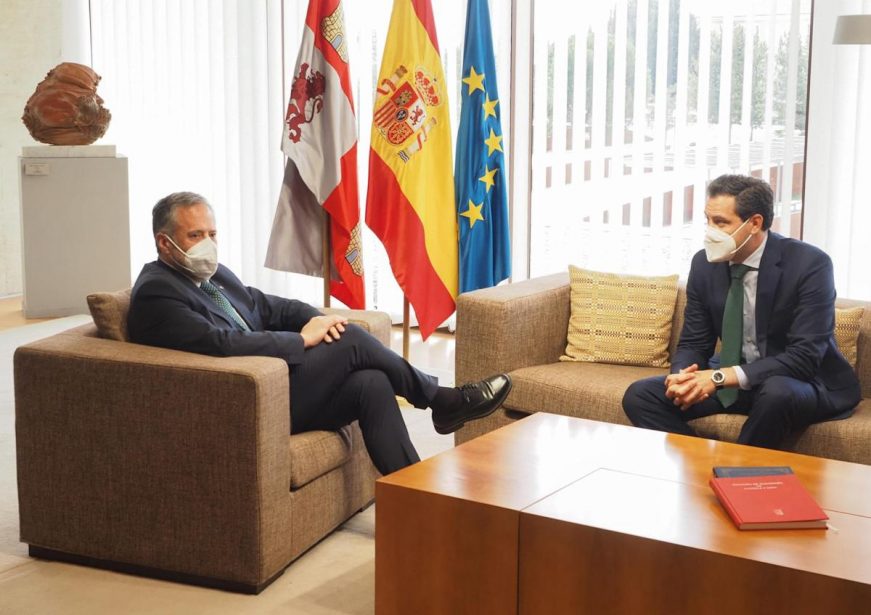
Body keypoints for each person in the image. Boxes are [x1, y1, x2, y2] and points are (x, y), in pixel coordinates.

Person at [127, 191, 511, 475]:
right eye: (196, 235)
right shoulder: (157, 293)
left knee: (372, 382)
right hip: (241, 400)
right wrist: (302, 339)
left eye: (213, 233)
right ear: (165, 242)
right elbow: (221, 344)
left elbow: (263, 305)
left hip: (274, 384)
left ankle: (415, 501)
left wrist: (317, 319)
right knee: (354, 341)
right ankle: (442, 400)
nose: (208, 244)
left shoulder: (212, 272)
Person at [622, 174, 861, 449]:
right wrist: (682, 376)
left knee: (776, 392)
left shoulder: (809, 264)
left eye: (721, 222)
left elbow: (803, 358)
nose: (710, 231)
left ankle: (738, 478)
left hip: (802, 382)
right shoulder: (704, 264)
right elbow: (694, 341)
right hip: (733, 381)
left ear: (754, 223)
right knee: (641, 395)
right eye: (708, 220)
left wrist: (718, 378)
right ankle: (709, 470)